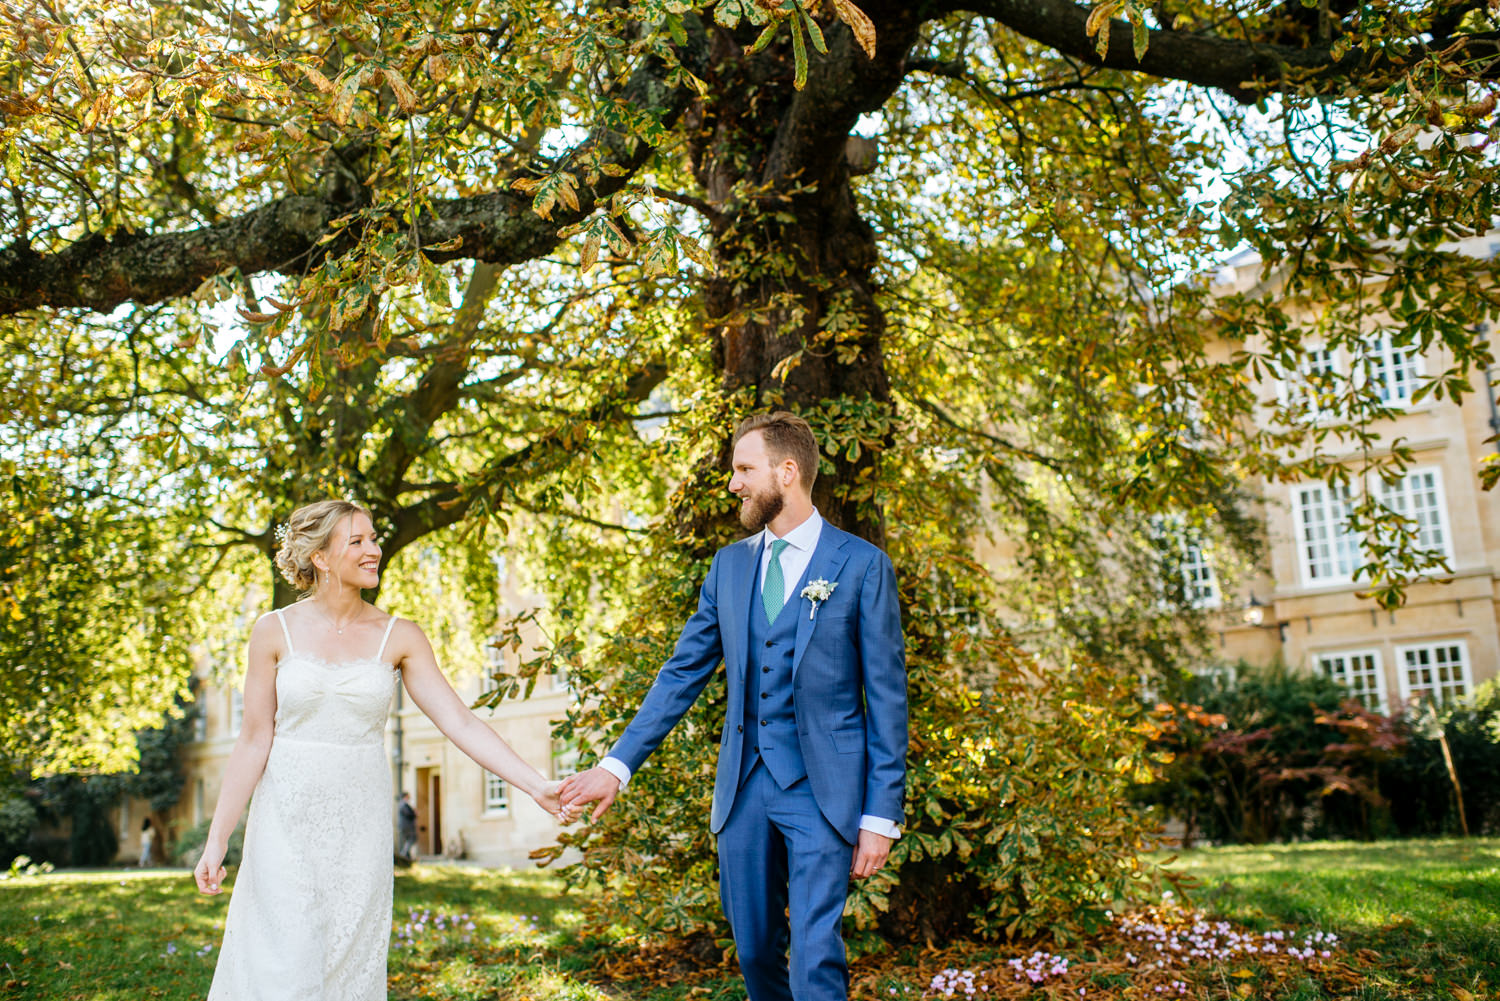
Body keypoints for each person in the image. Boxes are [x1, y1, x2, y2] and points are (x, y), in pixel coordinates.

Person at [560, 412, 908, 1001]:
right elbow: (681, 674)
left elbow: (888, 697)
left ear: (787, 471)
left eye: (745, 469)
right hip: (744, 788)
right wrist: (614, 767)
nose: (733, 484)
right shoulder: (729, 565)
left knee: (815, 954)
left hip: (824, 791)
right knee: (752, 948)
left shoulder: (861, 565)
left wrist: (880, 815)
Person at [193, 499, 567, 1000]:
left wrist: (537, 785)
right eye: (358, 541)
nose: (374, 549)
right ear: (321, 558)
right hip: (285, 818)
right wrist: (218, 841)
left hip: (360, 823)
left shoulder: (400, 636)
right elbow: (254, 738)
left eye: (373, 538)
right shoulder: (272, 630)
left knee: (347, 960)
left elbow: (459, 721)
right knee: (281, 957)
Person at [397, 791, 418, 861]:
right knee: (412, 839)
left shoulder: (403, 804)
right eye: (408, 796)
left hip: (405, 826)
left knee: (408, 840)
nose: (409, 798)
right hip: (407, 826)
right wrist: (414, 812)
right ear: (405, 796)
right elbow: (409, 814)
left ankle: (407, 857)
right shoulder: (403, 804)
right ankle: (403, 854)